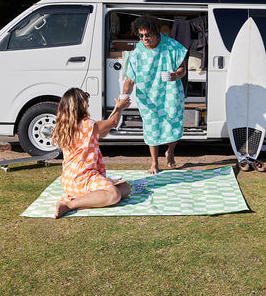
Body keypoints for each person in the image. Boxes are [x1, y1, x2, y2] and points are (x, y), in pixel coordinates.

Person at [51, 88, 132, 219]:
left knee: (125, 187)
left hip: (70, 180)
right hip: (83, 178)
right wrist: (120, 108)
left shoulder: (65, 126)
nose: (88, 104)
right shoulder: (86, 124)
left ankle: (86, 198)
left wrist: (117, 108)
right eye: (86, 102)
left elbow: (104, 131)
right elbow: (113, 123)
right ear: (80, 105)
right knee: (114, 195)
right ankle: (69, 205)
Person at [122, 15, 187, 174]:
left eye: (147, 35)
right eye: (141, 35)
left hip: (170, 94)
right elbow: (130, 80)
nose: (144, 38)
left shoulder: (172, 46)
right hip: (148, 97)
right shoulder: (137, 53)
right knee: (152, 129)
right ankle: (154, 163)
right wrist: (124, 97)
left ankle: (170, 151)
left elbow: (183, 69)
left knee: (174, 126)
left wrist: (176, 75)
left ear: (156, 32)